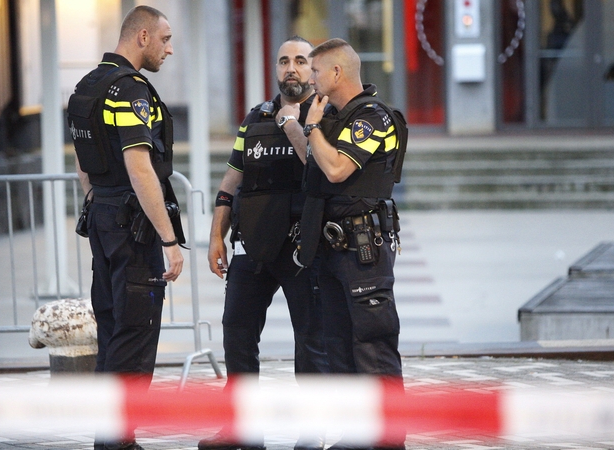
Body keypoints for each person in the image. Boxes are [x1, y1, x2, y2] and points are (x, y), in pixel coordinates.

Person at [198, 36, 329, 450]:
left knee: (309, 341)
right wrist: (216, 233)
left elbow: (322, 170)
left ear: (314, 69)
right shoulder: (255, 117)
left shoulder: (326, 115)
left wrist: (294, 123)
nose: (291, 68)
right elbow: (231, 180)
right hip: (252, 245)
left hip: (299, 248)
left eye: (301, 61)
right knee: (236, 332)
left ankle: (311, 430)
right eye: (283, 61)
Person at [68, 6, 184, 450]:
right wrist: (170, 239)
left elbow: (83, 163)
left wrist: (97, 199)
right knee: (134, 338)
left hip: (103, 216)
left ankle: (110, 437)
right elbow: (140, 169)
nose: (169, 49)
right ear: (141, 36)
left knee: (114, 330)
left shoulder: (88, 85)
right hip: (132, 227)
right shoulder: (128, 90)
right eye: (165, 39)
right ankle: (119, 440)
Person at [298, 38, 408, 450]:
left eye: (316, 72)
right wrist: (305, 128)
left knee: (373, 347)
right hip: (332, 250)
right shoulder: (334, 118)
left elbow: (338, 168)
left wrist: (310, 127)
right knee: (338, 348)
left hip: (364, 250)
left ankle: (387, 440)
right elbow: (315, 170)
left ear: (337, 73)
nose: (311, 79)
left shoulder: (371, 117)